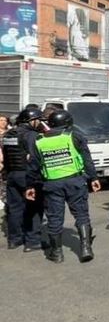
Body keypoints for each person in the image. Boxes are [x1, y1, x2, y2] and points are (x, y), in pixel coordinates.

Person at [25, 110, 101, 263]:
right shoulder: (74, 136)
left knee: (54, 218)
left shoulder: (39, 141)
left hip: (52, 184)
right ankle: (86, 248)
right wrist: (93, 177)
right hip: (75, 182)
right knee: (81, 215)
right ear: (67, 123)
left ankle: (57, 253)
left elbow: (33, 166)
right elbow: (87, 158)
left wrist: (30, 186)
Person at [2, 107, 44, 251]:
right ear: (31, 120)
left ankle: (14, 240)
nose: (39, 123)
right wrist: (33, 181)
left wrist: (7, 174)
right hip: (28, 175)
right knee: (34, 208)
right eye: (38, 120)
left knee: (15, 208)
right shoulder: (31, 135)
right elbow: (34, 158)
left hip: (12, 174)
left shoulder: (8, 135)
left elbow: (6, 157)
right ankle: (32, 242)